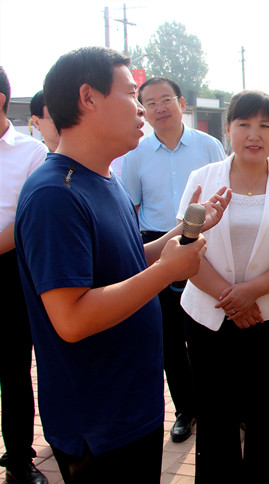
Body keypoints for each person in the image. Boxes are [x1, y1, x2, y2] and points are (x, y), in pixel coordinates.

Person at [15, 47, 229, 483]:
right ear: (88, 98)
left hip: (132, 405)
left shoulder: (104, 178)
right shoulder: (55, 195)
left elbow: (126, 262)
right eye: (132, 94)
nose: (142, 109)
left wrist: (183, 232)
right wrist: (166, 271)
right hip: (97, 424)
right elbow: (72, 318)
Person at [179, 90, 269, 483]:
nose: (254, 134)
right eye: (244, 124)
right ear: (228, 128)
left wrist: (251, 292)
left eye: (265, 125)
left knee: (264, 409)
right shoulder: (202, 179)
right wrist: (232, 299)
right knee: (215, 411)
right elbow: (185, 248)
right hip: (207, 316)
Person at [121, 75, 226, 443]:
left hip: (205, 244)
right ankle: (185, 409)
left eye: (166, 99)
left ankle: (224, 407)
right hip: (157, 246)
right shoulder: (135, 153)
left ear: (182, 103)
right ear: (143, 110)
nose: (159, 108)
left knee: (209, 328)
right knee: (168, 337)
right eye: (149, 103)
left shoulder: (209, 145)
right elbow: (132, 207)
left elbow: (224, 194)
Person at [0, 67, 48, 484]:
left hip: (10, 271)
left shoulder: (32, 153)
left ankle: (18, 458)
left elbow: (25, 220)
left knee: (14, 370)